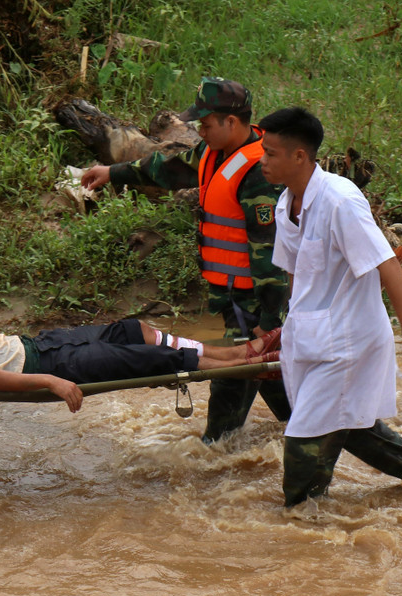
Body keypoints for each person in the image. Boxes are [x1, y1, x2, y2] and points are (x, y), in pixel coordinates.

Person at [257, 106, 402, 507]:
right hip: (311, 338)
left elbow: (388, 264)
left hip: (346, 342)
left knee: (303, 441)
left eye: (270, 153)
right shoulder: (286, 203)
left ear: (299, 156)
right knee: (350, 425)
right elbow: (297, 275)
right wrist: (288, 325)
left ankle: (303, 520)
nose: (262, 160)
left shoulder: (340, 201)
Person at [80, 77, 291, 444]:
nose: (200, 131)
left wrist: (270, 322)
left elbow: (270, 253)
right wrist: (113, 172)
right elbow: (168, 169)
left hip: (254, 302)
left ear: (231, 122)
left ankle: (213, 456)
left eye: (205, 124)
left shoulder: (260, 172)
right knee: (270, 372)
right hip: (232, 295)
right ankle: (314, 427)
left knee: (233, 373)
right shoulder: (212, 152)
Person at [0, 320, 282, 413]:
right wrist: (50, 381)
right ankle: (254, 363)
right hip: (48, 363)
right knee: (145, 359)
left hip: (37, 341)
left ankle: (237, 354)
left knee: (132, 330)